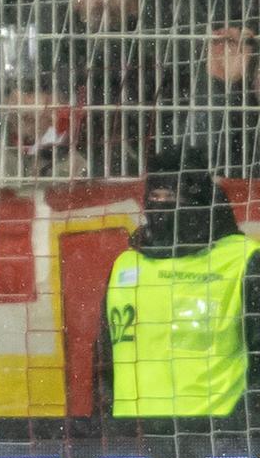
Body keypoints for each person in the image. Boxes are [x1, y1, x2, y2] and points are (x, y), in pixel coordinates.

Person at [98, 146, 260, 419]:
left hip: (218, 434)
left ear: (197, 200)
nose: (160, 206)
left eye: (171, 196)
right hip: (136, 435)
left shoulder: (243, 260)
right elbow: (104, 360)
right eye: (154, 196)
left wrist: (246, 422)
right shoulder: (126, 264)